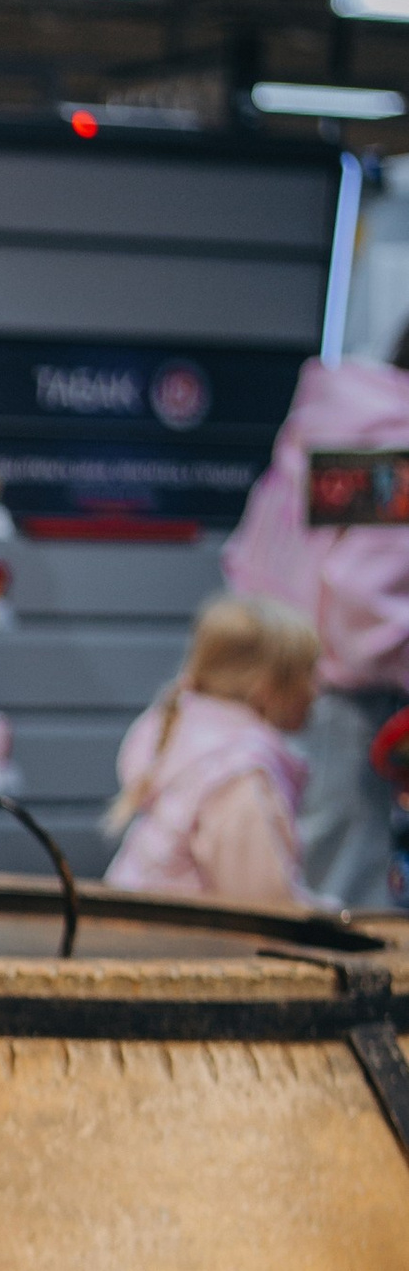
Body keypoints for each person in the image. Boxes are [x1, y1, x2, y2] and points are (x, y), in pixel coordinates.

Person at [222, 341, 409, 908]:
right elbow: (364, 605)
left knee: (298, 858)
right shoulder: (394, 439)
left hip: (275, 672)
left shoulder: (339, 414)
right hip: (344, 699)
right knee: (340, 877)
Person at [104, 596, 318, 906]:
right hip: (183, 944)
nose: (316, 691)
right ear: (266, 688)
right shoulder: (237, 776)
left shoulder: (181, 726)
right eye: (309, 673)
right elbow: (266, 908)